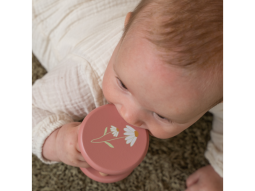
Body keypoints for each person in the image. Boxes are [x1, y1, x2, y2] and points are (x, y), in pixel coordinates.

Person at [32, 0, 223, 190]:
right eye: (123, 85)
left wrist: (220, 169)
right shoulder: (85, 78)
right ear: (125, 31)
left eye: (161, 115)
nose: (129, 116)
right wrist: (56, 141)